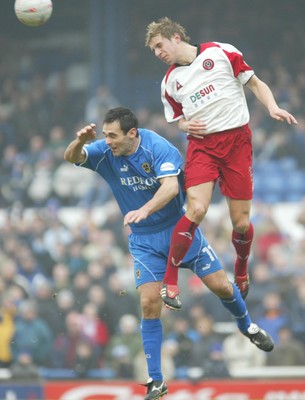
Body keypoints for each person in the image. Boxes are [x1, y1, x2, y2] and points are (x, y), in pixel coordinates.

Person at [64, 106, 274, 400]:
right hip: (144, 241)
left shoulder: (158, 148)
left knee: (222, 286)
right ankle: (156, 381)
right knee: (149, 302)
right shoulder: (104, 151)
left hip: (179, 231)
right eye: (105, 135)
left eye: (113, 135)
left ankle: (247, 326)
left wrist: (144, 209)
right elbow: (71, 157)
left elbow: (171, 188)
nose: (108, 140)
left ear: (132, 133)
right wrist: (80, 142)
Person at [145, 17, 298, 308]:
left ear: (176, 37)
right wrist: (187, 127)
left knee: (240, 223)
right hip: (203, 148)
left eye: (159, 45)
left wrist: (273, 107)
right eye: (153, 50)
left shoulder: (220, 52)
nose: (157, 53)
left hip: (238, 144)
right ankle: (171, 277)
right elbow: (178, 121)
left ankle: (241, 267)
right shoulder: (169, 82)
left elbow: (255, 83)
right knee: (197, 209)